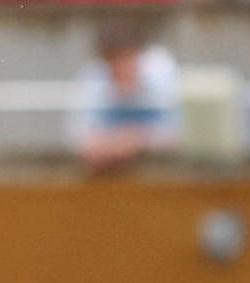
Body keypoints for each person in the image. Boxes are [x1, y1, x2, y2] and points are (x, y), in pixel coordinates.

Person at [67, 19, 183, 172]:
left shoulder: (162, 72)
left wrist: (138, 140)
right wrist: (106, 144)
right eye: (112, 63)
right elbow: (78, 135)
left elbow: (181, 133)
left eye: (125, 60)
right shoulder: (94, 77)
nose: (119, 70)